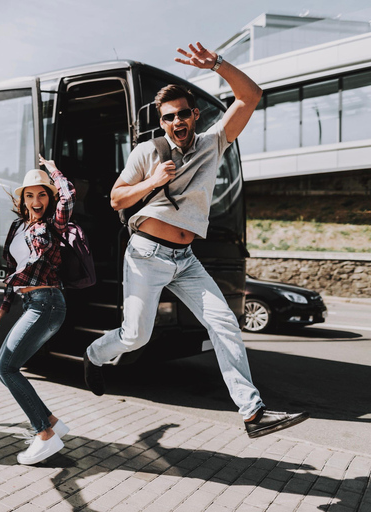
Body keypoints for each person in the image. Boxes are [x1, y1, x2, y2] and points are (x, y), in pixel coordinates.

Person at [82, 43, 309, 439]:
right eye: (169, 117)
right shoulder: (145, 152)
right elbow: (117, 199)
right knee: (136, 336)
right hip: (145, 255)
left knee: (224, 325)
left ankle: (253, 413)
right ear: (162, 121)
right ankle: (94, 354)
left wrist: (218, 64)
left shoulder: (212, 143)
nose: (177, 121)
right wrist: (154, 181)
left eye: (183, 113)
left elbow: (250, 96)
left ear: (195, 115)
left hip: (186, 259)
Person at [0, 155, 74, 465]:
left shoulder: (54, 224)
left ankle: (45, 434)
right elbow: (13, 268)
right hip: (31, 304)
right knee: (5, 368)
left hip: (48, 303)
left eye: (42, 194)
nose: (36, 200)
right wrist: (4, 306)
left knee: (4, 368)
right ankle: (50, 422)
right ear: (22, 199)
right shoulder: (16, 226)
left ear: (48, 198)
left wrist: (53, 170)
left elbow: (69, 194)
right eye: (30, 194)